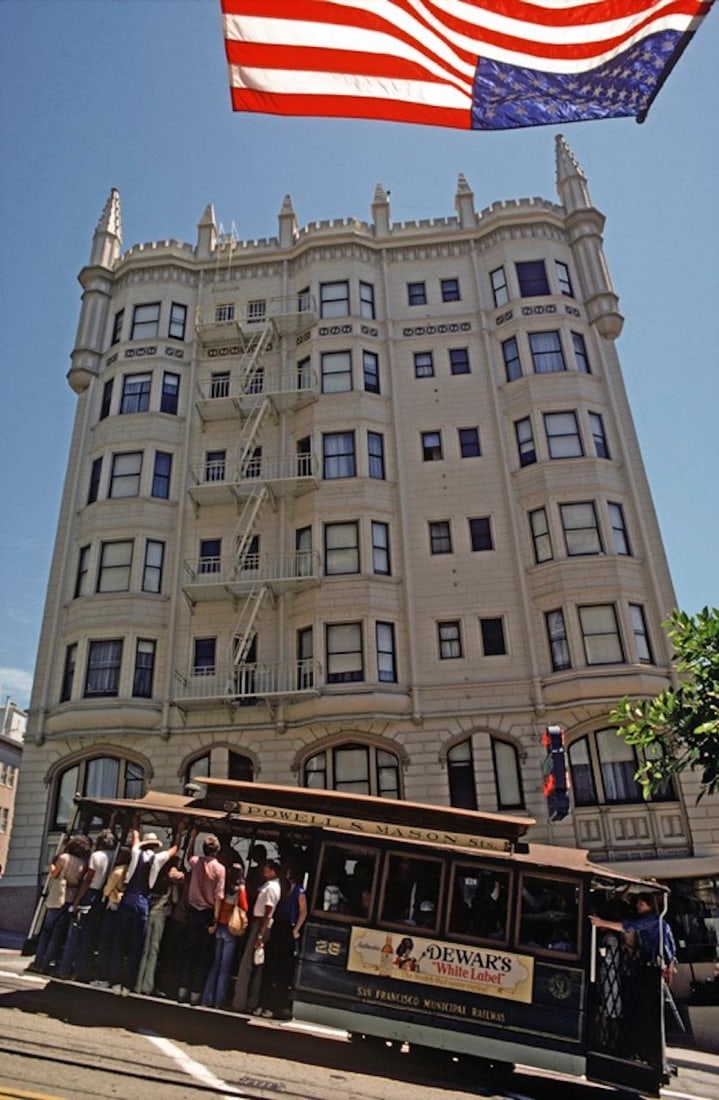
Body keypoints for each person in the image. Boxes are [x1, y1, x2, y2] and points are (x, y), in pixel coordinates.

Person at [591, 891, 677, 1064]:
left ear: (649, 905)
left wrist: (601, 922)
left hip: (652, 967)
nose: (638, 907)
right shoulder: (659, 921)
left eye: (641, 904)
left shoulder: (651, 920)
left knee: (645, 1010)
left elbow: (628, 927)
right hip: (655, 966)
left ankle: (645, 1053)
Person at [112, 824, 182, 994]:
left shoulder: (136, 852)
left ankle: (115, 981)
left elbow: (135, 836)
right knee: (137, 944)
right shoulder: (157, 859)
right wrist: (180, 832)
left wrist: (136, 824)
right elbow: (174, 849)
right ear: (155, 846)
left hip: (127, 898)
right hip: (142, 901)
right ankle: (128, 985)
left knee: (120, 941)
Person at [58, 828, 116, 981]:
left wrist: (77, 900)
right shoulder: (114, 855)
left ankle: (65, 969)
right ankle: (81, 970)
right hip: (101, 896)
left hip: (89, 893)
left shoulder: (95, 856)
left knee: (75, 933)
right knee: (88, 936)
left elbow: (88, 879)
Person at [32, 833, 92, 974]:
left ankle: (38, 962)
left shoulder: (64, 858)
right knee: (57, 933)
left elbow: (54, 874)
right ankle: (47, 963)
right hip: (71, 899)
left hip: (57, 897)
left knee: (47, 931)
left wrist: (53, 864)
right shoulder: (84, 863)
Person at [177, 831, 226, 1005]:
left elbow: (188, 857)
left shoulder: (196, 862)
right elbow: (219, 896)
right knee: (203, 955)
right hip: (207, 914)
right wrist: (215, 920)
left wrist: (192, 838)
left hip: (193, 911)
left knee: (189, 952)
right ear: (217, 851)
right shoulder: (220, 869)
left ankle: (182, 990)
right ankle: (195, 994)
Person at [258, 863, 307, 1018]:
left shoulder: (297, 890)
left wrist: (296, 929)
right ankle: (266, 1005)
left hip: (285, 931)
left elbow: (303, 911)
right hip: (279, 930)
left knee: (279, 972)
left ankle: (272, 1006)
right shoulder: (285, 889)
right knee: (273, 970)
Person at [232, 859, 281, 1014]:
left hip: (260, 924)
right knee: (253, 965)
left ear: (273, 871)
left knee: (249, 963)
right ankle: (247, 1001)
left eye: (267, 870)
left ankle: (242, 1002)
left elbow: (268, 913)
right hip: (259, 923)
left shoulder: (272, 888)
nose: (264, 872)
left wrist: (260, 935)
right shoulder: (269, 886)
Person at [134, 854, 185, 996]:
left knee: (144, 948)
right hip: (161, 913)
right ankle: (147, 985)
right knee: (154, 949)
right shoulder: (171, 882)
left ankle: (137, 983)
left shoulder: (156, 876)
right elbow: (175, 899)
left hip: (149, 910)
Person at [202, 855, 247, 1009]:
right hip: (230, 928)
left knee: (215, 963)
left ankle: (207, 996)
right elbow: (245, 907)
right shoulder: (239, 889)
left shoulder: (223, 885)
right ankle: (219, 1000)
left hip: (219, 925)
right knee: (225, 967)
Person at [92, 845, 131, 988]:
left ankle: (103, 977)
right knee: (118, 946)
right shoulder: (132, 870)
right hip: (126, 910)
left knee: (105, 943)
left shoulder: (118, 871)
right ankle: (116, 978)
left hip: (113, 907)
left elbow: (107, 890)